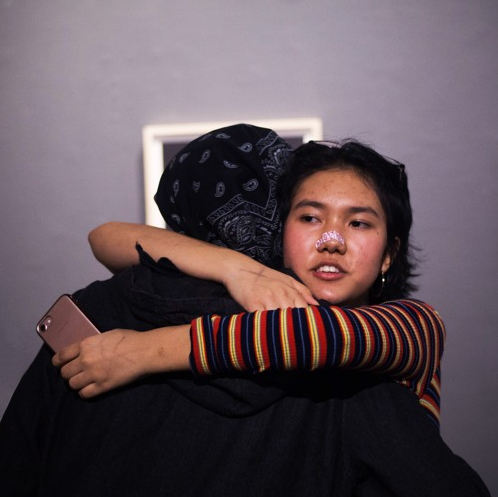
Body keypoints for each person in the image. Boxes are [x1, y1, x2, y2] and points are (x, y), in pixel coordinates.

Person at [0, 126, 489, 495]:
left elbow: (312, 335)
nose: (332, 240)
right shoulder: (340, 385)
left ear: (389, 254)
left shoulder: (411, 328)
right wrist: (237, 269)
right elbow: (105, 237)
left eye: (359, 223)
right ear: (279, 231)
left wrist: (143, 352)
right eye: (309, 217)